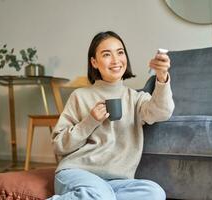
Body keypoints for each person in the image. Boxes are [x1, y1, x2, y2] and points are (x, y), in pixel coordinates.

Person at [47, 31, 175, 200]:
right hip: (77, 172)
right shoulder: (80, 96)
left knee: (154, 193)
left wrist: (162, 76)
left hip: (116, 182)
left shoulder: (136, 98)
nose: (115, 60)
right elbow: (58, 145)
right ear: (94, 62)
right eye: (106, 54)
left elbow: (162, 112)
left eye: (120, 52)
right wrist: (90, 122)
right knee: (101, 195)